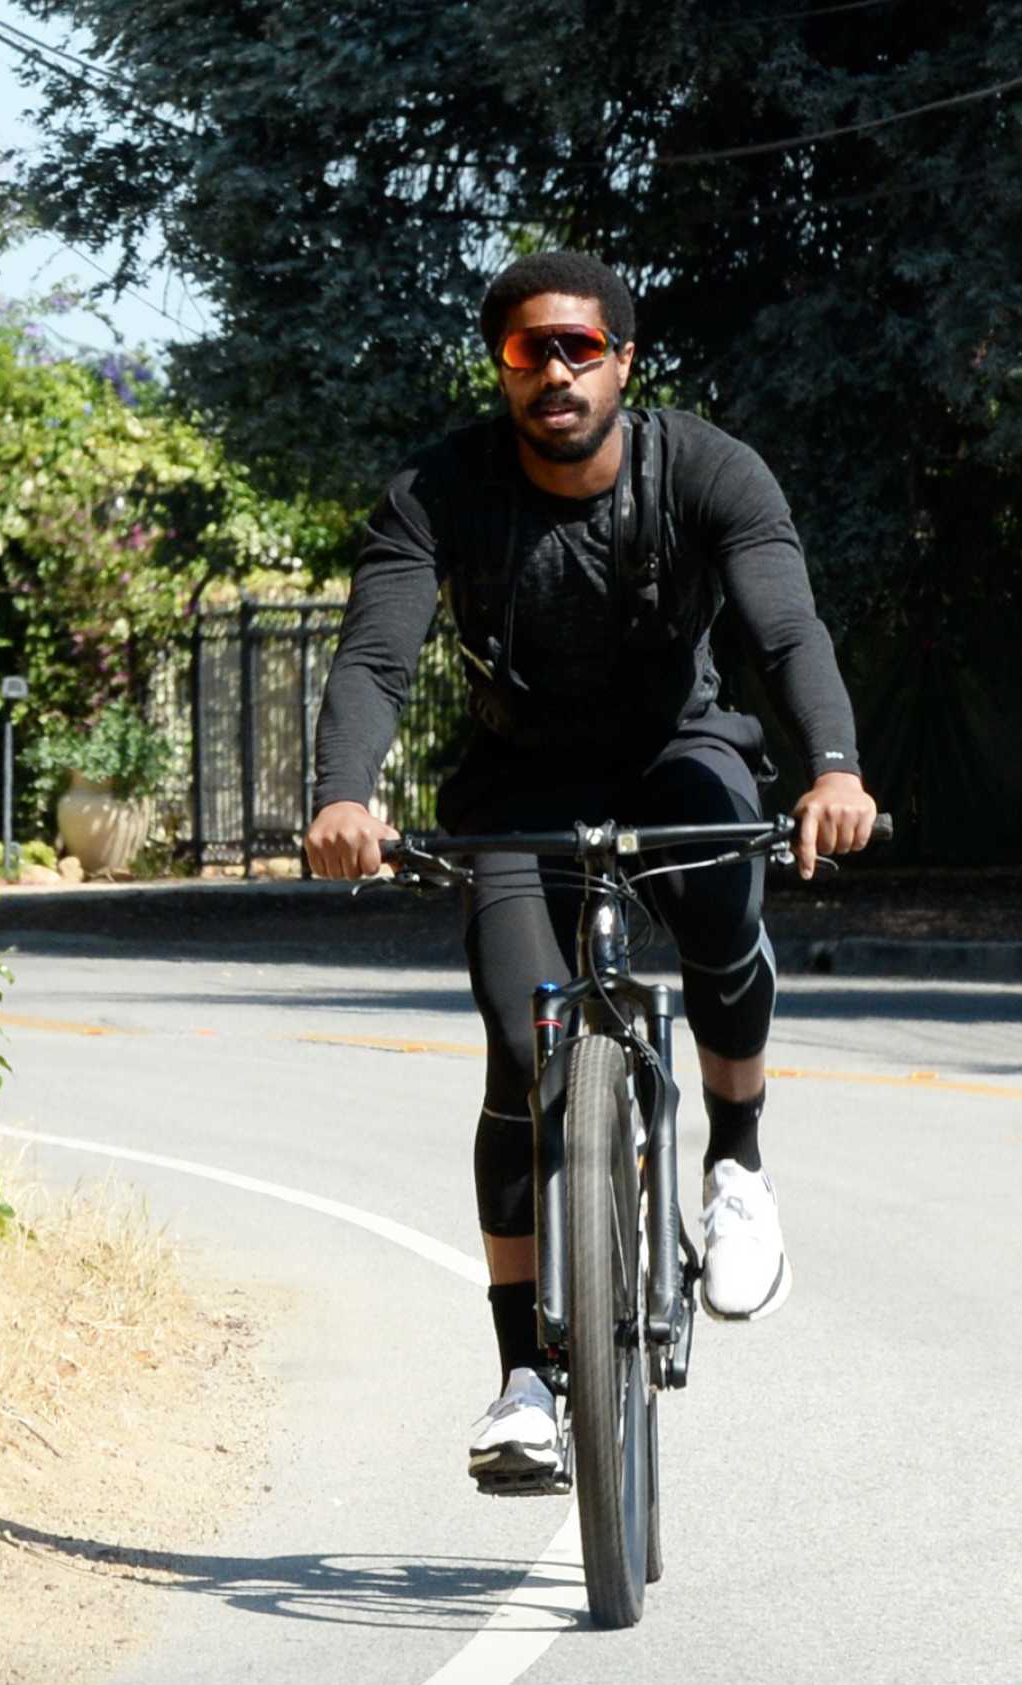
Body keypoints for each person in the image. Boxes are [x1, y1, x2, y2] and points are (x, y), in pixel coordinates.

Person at [306, 250, 876, 1491]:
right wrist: (343, 793)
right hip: (519, 789)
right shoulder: (437, 490)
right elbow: (377, 657)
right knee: (521, 1048)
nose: (553, 370)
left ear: (623, 358)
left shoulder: (708, 469)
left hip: (682, 755)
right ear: (500, 369)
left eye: (578, 347)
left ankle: (735, 1160)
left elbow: (783, 628)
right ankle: (523, 1377)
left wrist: (830, 768)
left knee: (726, 904)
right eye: (526, 351)